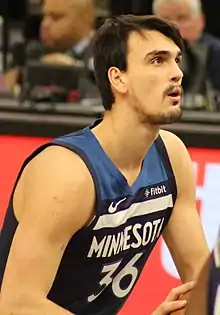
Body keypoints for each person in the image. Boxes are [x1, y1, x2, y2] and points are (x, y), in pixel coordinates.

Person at [0, 15, 209, 315]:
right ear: (117, 78)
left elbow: (201, 283)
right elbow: (16, 305)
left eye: (176, 60)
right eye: (157, 61)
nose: (176, 73)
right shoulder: (67, 173)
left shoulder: (171, 155)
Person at [3, 0, 95, 90]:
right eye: (44, 17)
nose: (44, 24)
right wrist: (27, 73)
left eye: (56, 17)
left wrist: (73, 72)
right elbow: (3, 88)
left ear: (86, 18)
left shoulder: (104, 52)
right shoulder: (32, 51)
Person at [152, 0, 220, 94]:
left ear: (201, 21)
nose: (173, 26)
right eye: (165, 20)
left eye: (182, 18)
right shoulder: (142, 53)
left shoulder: (216, 53)